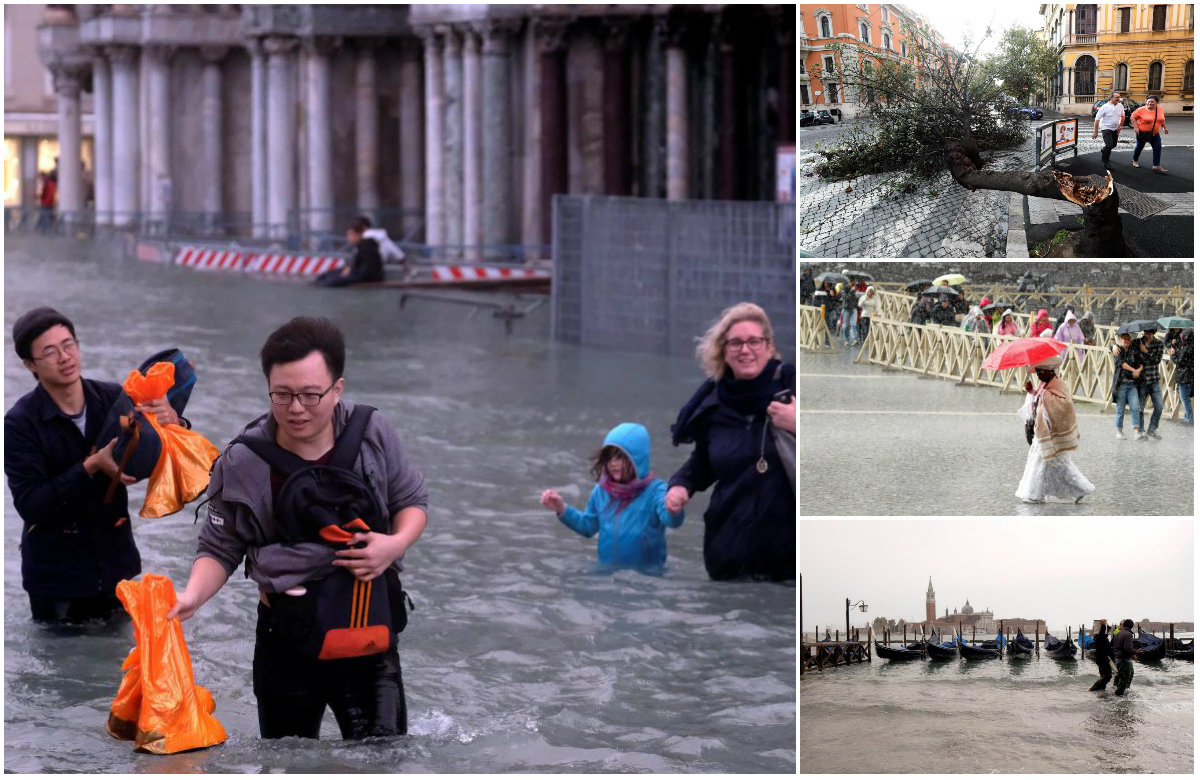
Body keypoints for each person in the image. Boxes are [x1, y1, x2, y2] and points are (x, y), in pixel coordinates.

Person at [168, 316, 428, 739]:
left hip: (367, 637)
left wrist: (393, 544)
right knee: (286, 761)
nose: (296, 408)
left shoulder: (372, 433)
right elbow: (219, 546)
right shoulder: (244, 458)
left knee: (382, 760)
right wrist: (192, 596)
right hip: (285, 641)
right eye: (282, 394)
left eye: (310, 395)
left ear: (337, 388)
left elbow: (411, 501)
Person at [4, 308, 179, 624]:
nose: (65, 357)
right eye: (50, 352)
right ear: (30, 364)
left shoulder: (113, 398)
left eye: (68, 345)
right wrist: (90, 467)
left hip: (117, 569)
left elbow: (151, 459)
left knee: (119, 654)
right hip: (57, 582)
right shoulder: (20, 423)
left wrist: (172, 424)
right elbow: (31, 504)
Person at [665, 303, 795, 581]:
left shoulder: (795, 388)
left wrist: (801, 424)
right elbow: (703, 463)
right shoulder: (714, 405)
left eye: (754, 341)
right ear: (723, 351)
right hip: (729, 558)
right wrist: (680, 486)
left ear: (769, 347)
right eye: (735, 343)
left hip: (792, 563)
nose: (745, 350)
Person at [539, 423, 684, 575]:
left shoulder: (655, 491)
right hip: (606, 575)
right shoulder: (601, 491)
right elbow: (587, 526)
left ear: (637, 459)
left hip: (647, 577)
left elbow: (672, 521)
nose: (613, 463)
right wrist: (562, 509)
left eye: (620, 457)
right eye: (608, 457)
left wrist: (674, 510)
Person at [1015, 355, 1095, 504]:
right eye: (1037, 372)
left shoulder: (1058, 384)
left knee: (1056, 463)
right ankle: (1077, 489)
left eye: (1040, 372)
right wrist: (1032, 391)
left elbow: (1065, 405)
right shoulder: (1044, 384)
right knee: (1050, 463)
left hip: (1051, 432)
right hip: (1043, 431)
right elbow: (1040, 401)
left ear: (1049, 371)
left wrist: (1044, 396)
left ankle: (1035, 494)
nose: (1038, 375)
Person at [314, 216, 385, 287]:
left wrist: (351, 271)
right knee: (326, 276)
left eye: (351, 234)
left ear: (359, 234)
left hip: (368, 278)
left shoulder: (368, 246)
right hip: (358, 273)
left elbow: (367, 271)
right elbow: (358, 264)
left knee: (331, 281)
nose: (348, 237)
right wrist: (350, 269)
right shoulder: (360, 246)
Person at [1112, 332, 1145, 440]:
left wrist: (1138, 370)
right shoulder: (1117, 350)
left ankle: (1136, 431)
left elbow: (1141, 362)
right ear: (1120, 340)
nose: (1126, 341)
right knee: (1120, 409)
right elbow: (1122, 364)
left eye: (1128, 339)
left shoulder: (1134, 350)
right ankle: (1119, 431)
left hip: (1132, 384)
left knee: (1135, 407)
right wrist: (1133, 370)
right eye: (1124, 339)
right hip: (1121, 384)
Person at [1135, 326, 1165, 439]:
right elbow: (1124, 347)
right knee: (1140, 407)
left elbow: (1156, 360)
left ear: (1154, 333)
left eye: (1149, 333)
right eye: (1145, 333)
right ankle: (1141, 430)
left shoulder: (1159, 344)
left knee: (1159, 406)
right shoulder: (1137, 342)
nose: (1146, 335)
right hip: (1141, 380)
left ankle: (1152, 429)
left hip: (1154, 379)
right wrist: (1113, 347)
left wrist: (1146, 351)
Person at [1130, 95, 1169, 174]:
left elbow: (1161, 119)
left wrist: (1164, 127)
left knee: (1157, 148)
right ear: (1146, 102)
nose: (1150, 103)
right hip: (1143, 133)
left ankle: (1156, 165)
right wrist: (1136, 127)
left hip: (1155, 133)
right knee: (1139, 147)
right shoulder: (1141, 109)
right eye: (1149, 101)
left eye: (1152, 102)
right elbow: (1132, 117)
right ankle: (1135, 160)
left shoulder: (1160, 109)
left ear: (1156, 102)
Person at [1092, 91, 1125, 170]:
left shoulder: (1120, 105)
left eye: (1119, 97)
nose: (1118, 99)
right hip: (1106, 128)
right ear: (1111, 98)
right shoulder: (1104, 107)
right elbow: (1097, 120)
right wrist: (1095, 132)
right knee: (1109, 145)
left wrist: (1120, 127)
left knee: (1114, 145)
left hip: (1115, 128)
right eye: (1117, 97)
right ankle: (1105, 162)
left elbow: (1123, 116)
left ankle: (1104, 150)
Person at [1167, 329, 1193, 425]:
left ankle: (1189, 419)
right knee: (1186, 398)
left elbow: (1180, 362)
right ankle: (1188, 418)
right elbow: (1183, 357)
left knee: (1184, 398)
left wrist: (1172, 356)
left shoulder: (1187, 348)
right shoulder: (1191, 347)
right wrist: (1176, 352)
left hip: (1184, 377)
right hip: (1190, 376)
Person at [1088, 621, 1116, 692]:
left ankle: (1101, 690)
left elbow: (1107, 647)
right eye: (1107, 629)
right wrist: (1103, 625)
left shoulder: (1104, 638)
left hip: (1104, 659)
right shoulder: (1099, 637)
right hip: (1102, 659)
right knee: (1107, 676)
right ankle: (1093, 689)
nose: (1108, 631)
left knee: (1104, 676)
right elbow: (1101, 634)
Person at [1112, 619, 1136, 695]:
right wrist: (1135, 652)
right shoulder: (1128, 634)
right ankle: (1119, 696)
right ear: (1131, 626)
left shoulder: (1117, 634)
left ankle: (1116, 690)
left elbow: (1113, 645)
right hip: (1124, 659)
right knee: (1124, 679)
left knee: (1120, 676)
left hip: (1117, 658)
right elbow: (1127, 648)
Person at [840, 280, 859, 345]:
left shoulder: (856, 288)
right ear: (849, 282)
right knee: (846, 325)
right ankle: (846, 339)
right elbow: (846, 297)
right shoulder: (844, 288)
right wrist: (851, 291)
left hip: (853, 308)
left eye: (854, 282)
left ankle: (854, 339)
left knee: (853, 324)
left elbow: (857, 298)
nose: (853, 283)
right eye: (852, 282)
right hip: (846, 308)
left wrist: (856, 293)